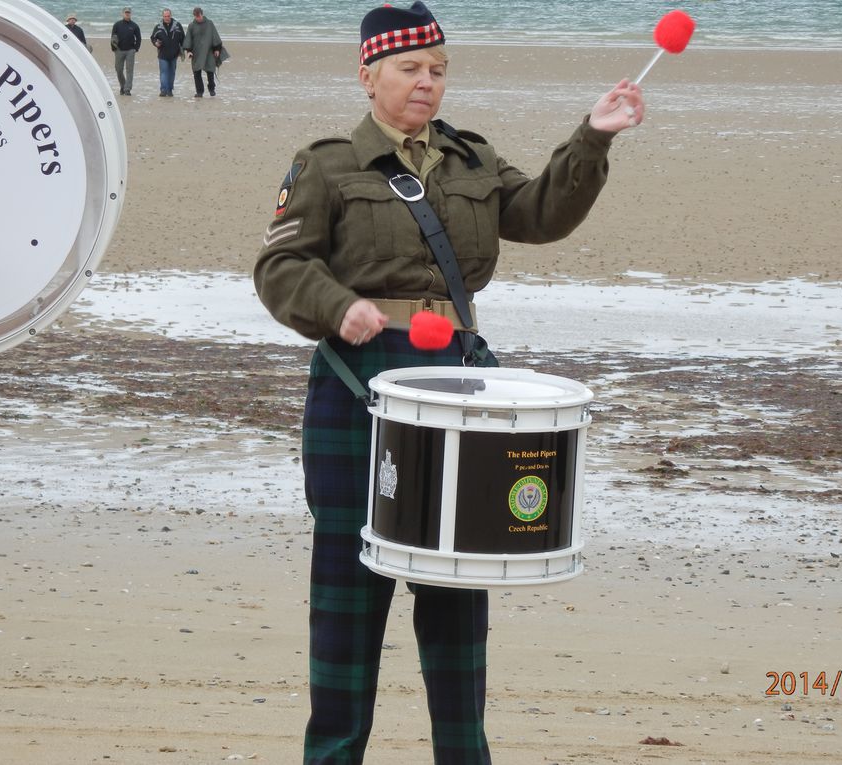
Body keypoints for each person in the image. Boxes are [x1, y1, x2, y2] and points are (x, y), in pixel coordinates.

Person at [253, 2, 643, 763]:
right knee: (347, 593)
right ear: (368, 76)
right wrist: (341, 306)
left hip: (459, 388)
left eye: (437, 70)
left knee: (458, 586)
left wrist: (592, 137)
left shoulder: (473, 158)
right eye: (409, 69)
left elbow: (541, 213)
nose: (427, 83)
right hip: (356, 380)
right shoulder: (327, 163)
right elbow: (278, 268)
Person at [183, 6, 222, 98]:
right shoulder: (191, 26)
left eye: (199, 16)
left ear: (202, 14)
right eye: (196, 17)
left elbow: (215, 36)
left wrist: (217, 49)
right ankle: (199, 92)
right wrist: (189, 51)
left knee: (210, 71)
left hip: (209, 51)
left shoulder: (209, 23)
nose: (198, 18)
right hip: (196, 52)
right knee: (196, 72)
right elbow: (188, 39)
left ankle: (211, 89)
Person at [150, 8, 184, 97]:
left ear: (171, 16)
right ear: (162, 16)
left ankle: (170, 90)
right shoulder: (158, 26)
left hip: (174, 54)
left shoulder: (178, 26)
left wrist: (183, 50)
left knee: (172, 73)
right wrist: (155, 43)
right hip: (163, 54)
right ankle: (163, 90)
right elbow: (153, 38)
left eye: (168, 16)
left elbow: (183, 39)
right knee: (164, 72)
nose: (166, 18)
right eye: (165, 16)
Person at [110, 7, 141, 96]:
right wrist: (113, 48)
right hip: (119, 50)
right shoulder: (117, 25)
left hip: (130, 51)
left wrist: (136, 48)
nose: (127, 14)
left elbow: (138, 38)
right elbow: (113, 37)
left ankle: (127, 89)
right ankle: (123, 86)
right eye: (126, 12)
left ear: (131, 14)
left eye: (129, 13)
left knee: (129, 70)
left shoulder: (134, 26)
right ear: (122, 13)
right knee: (118, 69)